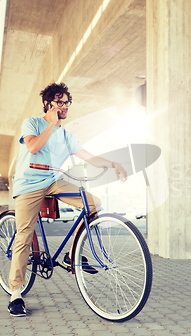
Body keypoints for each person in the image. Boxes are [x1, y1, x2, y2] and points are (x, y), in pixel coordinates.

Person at [7, 82, 127, 316]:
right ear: (47, 104)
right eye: (59, 102)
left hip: (53, 181)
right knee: (24, 234)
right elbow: (32, 147)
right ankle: (16, 293)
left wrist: (114, 164)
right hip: (29, 183)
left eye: (66, 102)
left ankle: (72, 255)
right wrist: (50, 124)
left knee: (93, 203)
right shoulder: (32, 123)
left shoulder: (66, 135)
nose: (63, 106)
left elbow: (89, 157)